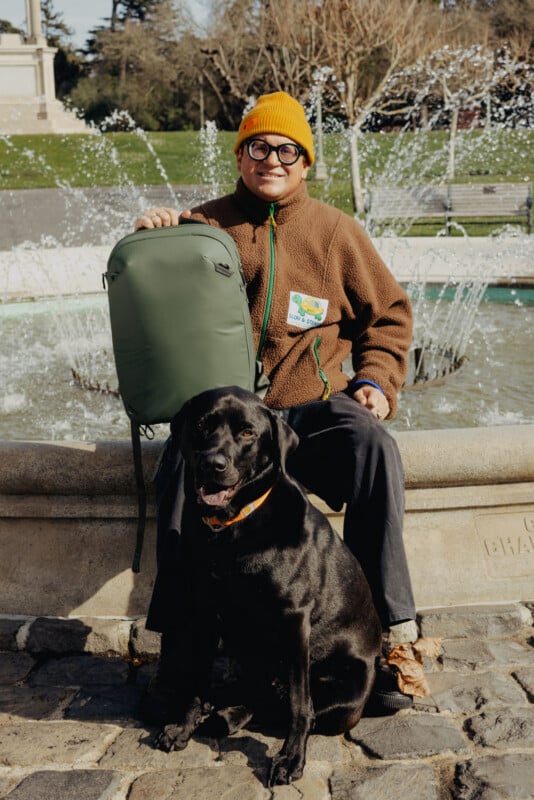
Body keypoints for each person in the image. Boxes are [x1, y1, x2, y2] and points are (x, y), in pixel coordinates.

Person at [134, 91, 418, 719]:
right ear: (241, 155)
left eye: (287, 149)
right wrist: (156, 238)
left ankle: (386, 638)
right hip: (231, 427)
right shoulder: (202, 227)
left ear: (305, 161)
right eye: (258, 147)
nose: (273, 159)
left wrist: (377, 380)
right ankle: (180, 658)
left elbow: (390, 316)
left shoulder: (336, 232)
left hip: (311, 414)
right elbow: (150, 302)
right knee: (179, 468)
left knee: (372, 444)